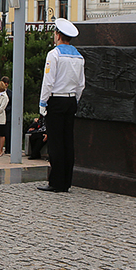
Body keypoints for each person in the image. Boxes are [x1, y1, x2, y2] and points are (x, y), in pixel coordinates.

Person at [37, 18, 85, 193]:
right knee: (68, 142)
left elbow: (48, 82)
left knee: (56, 142)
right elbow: (81, 84)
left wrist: (43, 103)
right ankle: (67, 181)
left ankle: (56, 182)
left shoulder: (54, 54)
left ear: (58, 35)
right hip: (71, 100)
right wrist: (75, 100)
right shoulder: (79, 56)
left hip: (56, 100)